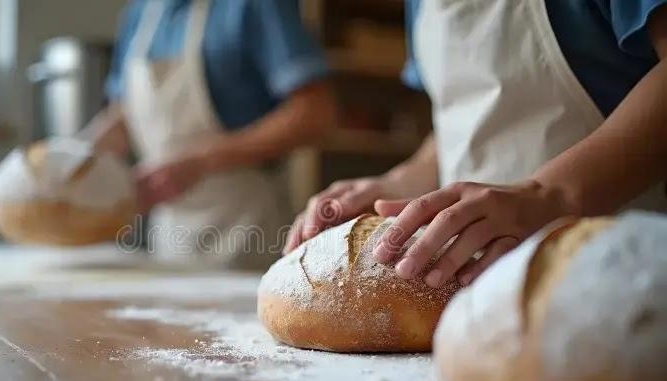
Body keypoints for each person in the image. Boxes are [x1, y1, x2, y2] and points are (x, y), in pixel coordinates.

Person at [285, 0, 667, 287]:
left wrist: (550, 195)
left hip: (617, 277)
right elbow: (464, 123)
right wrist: (400, 184)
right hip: (475, 287)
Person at [80, 0, 335, 270]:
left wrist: (201, 160)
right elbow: (123, 113)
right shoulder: (140, 14)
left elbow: (314, 114)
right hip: (168, 228)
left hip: (245, 226)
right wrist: (74, 157)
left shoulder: (256, 6)